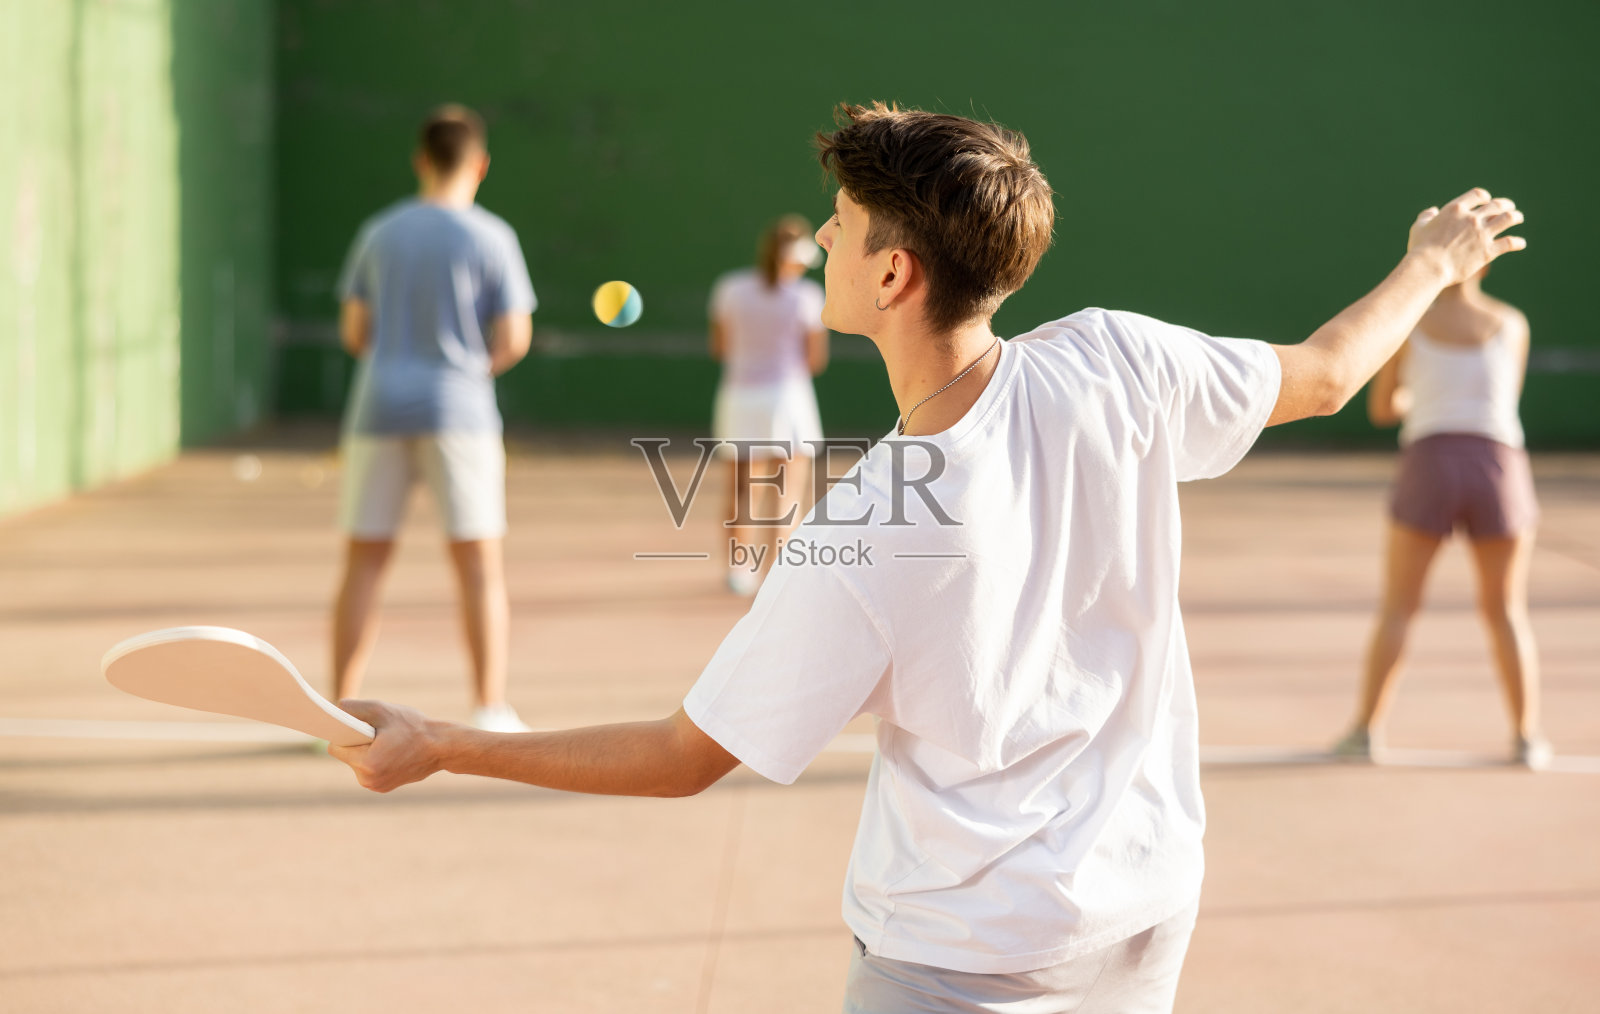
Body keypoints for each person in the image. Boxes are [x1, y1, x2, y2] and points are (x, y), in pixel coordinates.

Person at [328, 103, 1524, 1011]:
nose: (827, 250)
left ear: (892, 276)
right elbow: (1323, 373)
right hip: (1149, 907)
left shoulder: (868, 523)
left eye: (842, 235)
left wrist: (442, 743)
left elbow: (687, 754)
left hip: (961, 961)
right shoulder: (1115, 358)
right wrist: (1430, 260)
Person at [331, 104, 537, 734]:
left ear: (421, 159)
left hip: (376, 410)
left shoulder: (378, 232)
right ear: (480, 164)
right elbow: (513, 339)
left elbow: (355, 331)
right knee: (478, 562)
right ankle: (489, 707)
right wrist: (468, 369)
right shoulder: (492, 237)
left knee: (364, 560)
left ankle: (336, 710)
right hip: (461, 414)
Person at [1335, 268, 1550, 768]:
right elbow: (1501, 400)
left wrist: (1418, 396)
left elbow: (1384, 408)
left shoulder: (1406, 325)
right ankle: (1528, 739)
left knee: (1399, 607)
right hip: (1499, 467)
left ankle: (1365, 732)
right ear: (1486, 263)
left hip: (1429, 463)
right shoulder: (1513, 323)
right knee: (1507, 611)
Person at [709, 215, 830, 595]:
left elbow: (720, 347)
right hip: (788, 400)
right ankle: (776, 577)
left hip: (740, 397)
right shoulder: (808, 297)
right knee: (786, 490)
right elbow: (815, 359)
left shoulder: (729, 288)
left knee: (742, 489)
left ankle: (738, 570)